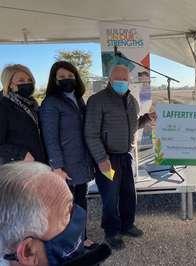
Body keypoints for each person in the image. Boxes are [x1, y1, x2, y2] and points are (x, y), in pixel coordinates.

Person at [85, 65, 156, 250]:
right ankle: (111, 232)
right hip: (108, 158)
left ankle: (127, 225)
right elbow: (90, 133)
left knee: (128, 194)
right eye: (117, 79)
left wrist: (147, 118)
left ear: (129, 81)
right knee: (110, 197)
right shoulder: (97, 100)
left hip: (126, 156)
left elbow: (133, 125)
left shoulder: (132, 101)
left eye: (124, 80)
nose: (121, 83)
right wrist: (101, 158)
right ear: (109, 80)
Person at [39, 61, 95, 247]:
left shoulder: (78, 99)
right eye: (62, 77)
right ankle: (68, 243)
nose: (67, 80)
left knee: (80, 202)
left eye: (70, 76)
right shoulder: (51, 103)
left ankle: (82, 237)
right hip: (65, 167)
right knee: (65, 207)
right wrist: (57, 167)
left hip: (81, 162)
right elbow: (50, 137)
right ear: (54, 80)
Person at [0, 64, 46, 165]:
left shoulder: (32, 104)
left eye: (29, 80)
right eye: (21, 80)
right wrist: (21, 154)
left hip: (39, 164)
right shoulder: (3, 106)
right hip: (19, 167)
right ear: (9, 84)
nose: (27, 83)